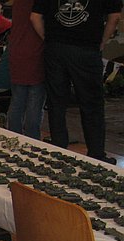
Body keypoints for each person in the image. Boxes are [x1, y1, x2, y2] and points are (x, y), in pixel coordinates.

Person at [31, 0, 122, 162]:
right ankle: (96, 154)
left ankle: (58, 149)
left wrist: (47, 39)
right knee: (91, 105)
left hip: (56, 48)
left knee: (56, 102)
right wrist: (102, 42)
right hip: (86, 49)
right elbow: (114, 17)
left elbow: (35, 17)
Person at [6, 0, 45, 140]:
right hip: (35, 53)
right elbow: (35, 18)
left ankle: (13, 139)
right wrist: (47, 39)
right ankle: (32, 143)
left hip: (16, 51)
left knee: (17, 101)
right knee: (34, 106)